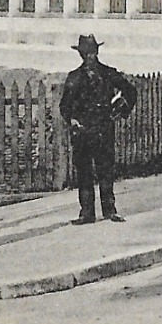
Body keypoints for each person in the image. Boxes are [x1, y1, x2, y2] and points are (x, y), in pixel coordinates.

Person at [59, 34, 138, 225]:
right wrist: (72, 119)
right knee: (84, 172)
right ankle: (87, 213)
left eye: (93, 53)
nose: (91, 57)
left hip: (103, 128)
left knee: (106, 170)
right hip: (83, 133)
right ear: (81, 55)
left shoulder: (109, 74)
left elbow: (130, 91)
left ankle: (110, 210)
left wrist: (121, 109)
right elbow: (65, 106)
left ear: (97, 52)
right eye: (87, 54)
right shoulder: (74, 78)